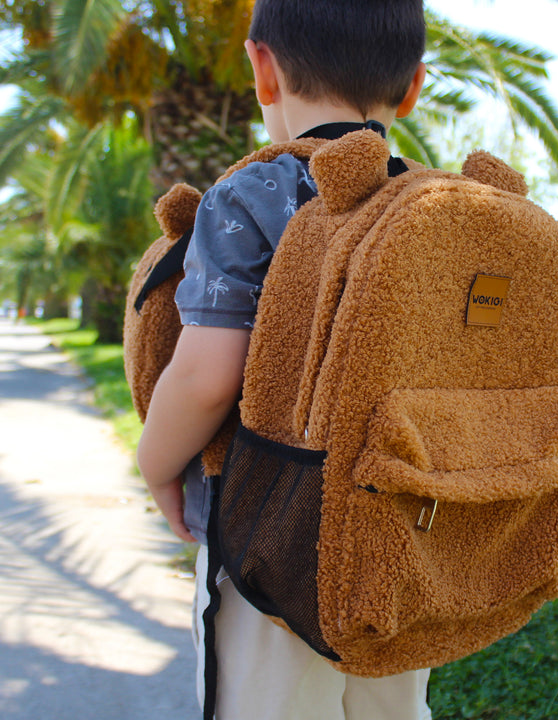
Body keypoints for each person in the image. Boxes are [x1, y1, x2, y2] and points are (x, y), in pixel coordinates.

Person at [136, 1, 430, 718]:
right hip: (401, 541)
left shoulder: (252, 195)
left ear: (262, 68)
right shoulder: (429, 202)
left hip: (267, 543)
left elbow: (207, 376)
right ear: (414, 86)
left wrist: (155, 463)